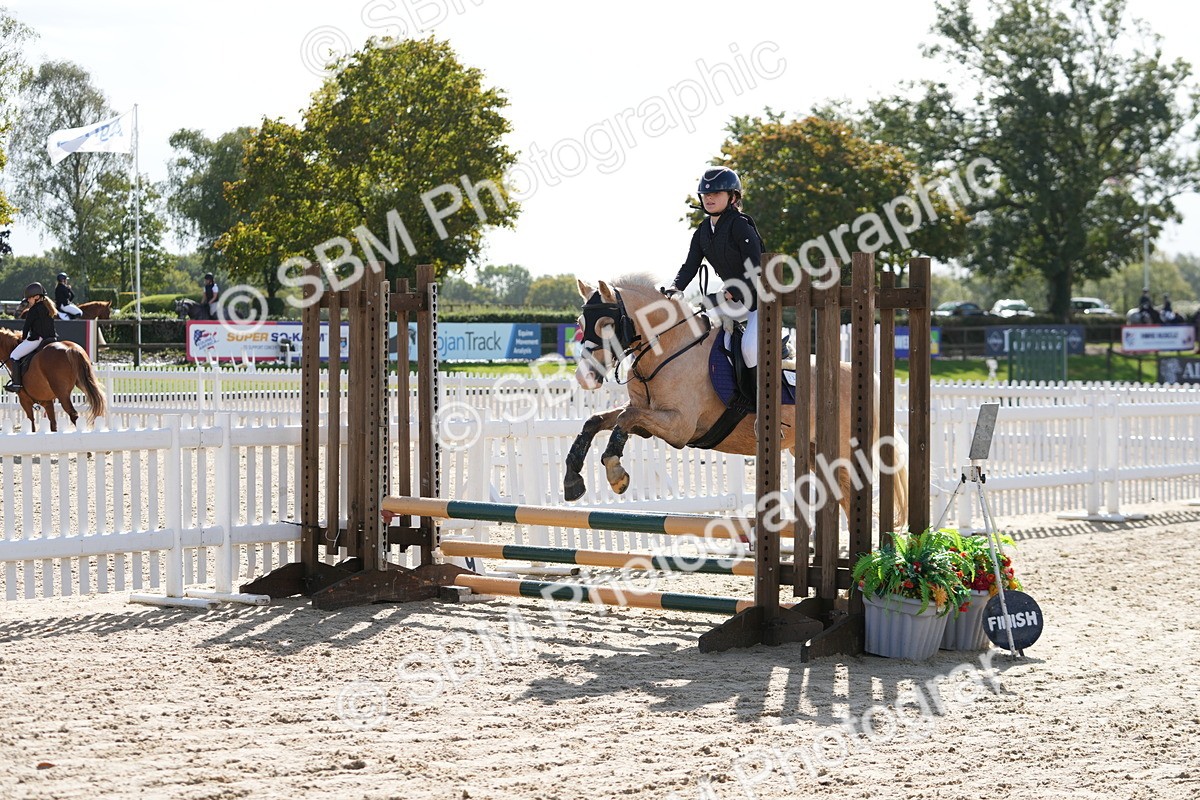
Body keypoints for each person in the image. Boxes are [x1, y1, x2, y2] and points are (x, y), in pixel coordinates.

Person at [670, 166, 765, 372]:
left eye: (716, 193)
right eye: (706, 194)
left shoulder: (741, 225)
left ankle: (756, 400)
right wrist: (675, 288)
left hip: (759, 300)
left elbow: (756, 268)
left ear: (733, 197)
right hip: (732, 298)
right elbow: (690, 266)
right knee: (705, 337)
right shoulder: (703, 230)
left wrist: (731, 292)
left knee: (749, 350)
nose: (709, 198)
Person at [5, 282, 59, 392]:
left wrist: (24, 338)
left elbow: (26, 327)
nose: (28, 301)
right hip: (52, 339)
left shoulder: (33, 310)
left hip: (37, 340)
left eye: (29, 298)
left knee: (14, 355)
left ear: (37, 297)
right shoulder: (48, 308)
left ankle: (16, 384)